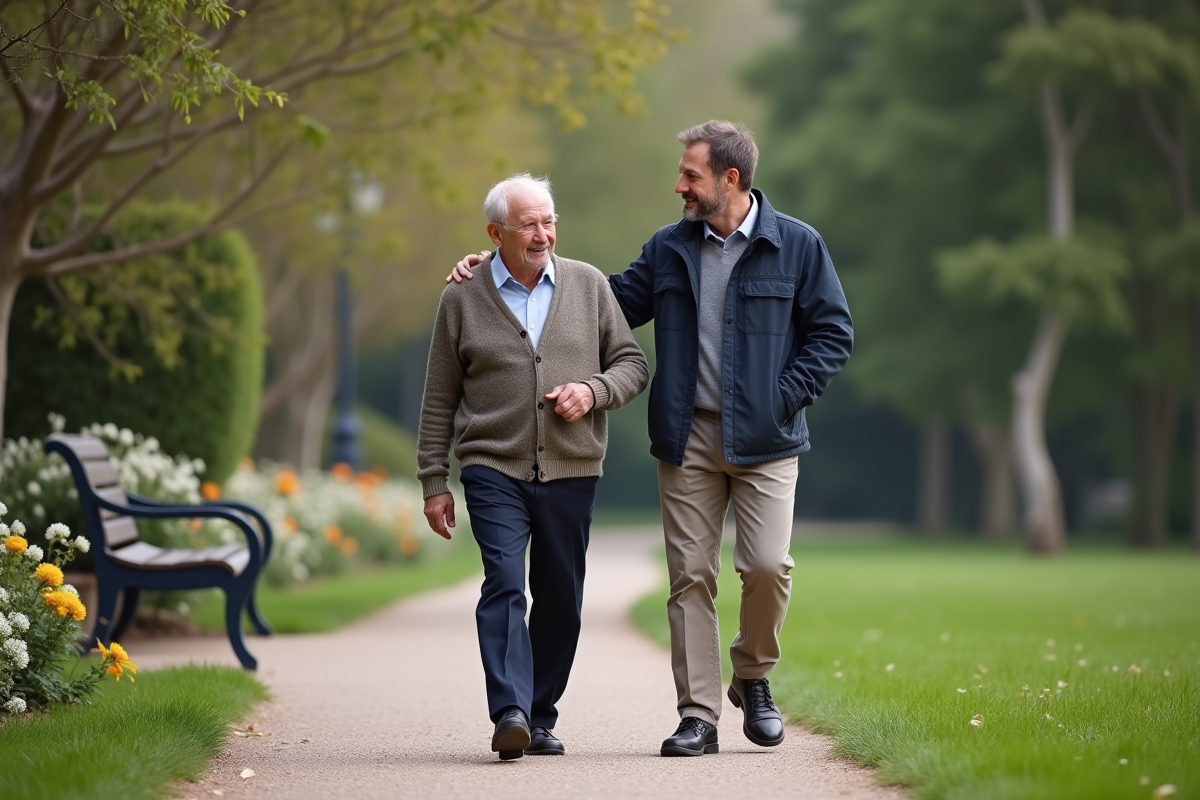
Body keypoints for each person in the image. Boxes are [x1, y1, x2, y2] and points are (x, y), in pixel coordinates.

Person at [447, 122, 853, 757]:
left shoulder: (797, 245)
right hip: (687, 436)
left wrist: (784, 395)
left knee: (768, 567)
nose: (679, 186)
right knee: (690, 578)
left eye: (690, 175)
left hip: (768, 438)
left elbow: (833, 333)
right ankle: (699, 716)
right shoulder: (669, 249)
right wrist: (502, 266)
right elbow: (593, 303)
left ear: (730, 179)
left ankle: (752, 674)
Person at [418, 174, 649, 761]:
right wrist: (434, 481)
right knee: (503, 582)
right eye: (528, 224)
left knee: (561, 599)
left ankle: (539, 714)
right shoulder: (462, 297)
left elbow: (632, 364)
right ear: (495, 233)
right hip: (492, 465)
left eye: (549, 221)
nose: (542, 234)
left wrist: (593, 392)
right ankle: (510, 712)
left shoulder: (589, 285)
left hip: (572, 466)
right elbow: (439, 397)